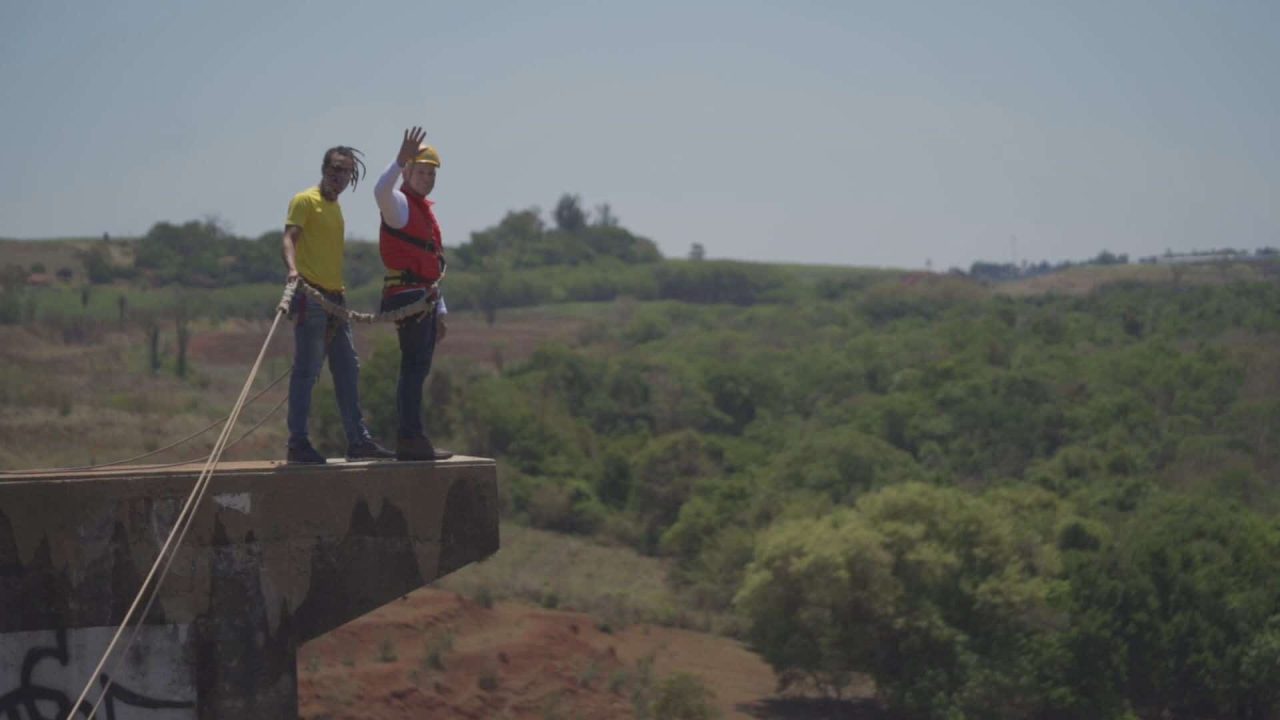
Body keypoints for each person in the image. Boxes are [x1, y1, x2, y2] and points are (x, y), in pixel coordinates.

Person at [282, 145, 394, 464]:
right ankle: (298, 443)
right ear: (323, 168)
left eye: (344, 170)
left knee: (348, 368)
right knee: (307, 370)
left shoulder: (336, 208)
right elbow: (290, 238)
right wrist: (292, 270)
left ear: (351, 176)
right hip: (311, 296)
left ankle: (358, 440)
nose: (338, 175)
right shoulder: (306, 200)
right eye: (333, 168)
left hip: (335, 299)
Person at [374, 127, 454, 461]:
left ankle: (412, 436)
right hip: (408, 296)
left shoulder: (422, 210)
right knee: (413, 368)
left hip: (422, 297)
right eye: (421, 172)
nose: (428, 178)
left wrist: (442, 311)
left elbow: (431, 263)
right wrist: (398, 159)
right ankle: (411, 438)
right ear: (408, 172)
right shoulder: (400, 204)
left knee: (417, 368)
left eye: (431, 173)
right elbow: (380, 191)